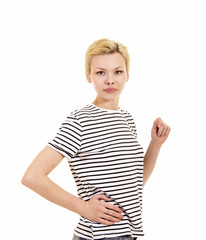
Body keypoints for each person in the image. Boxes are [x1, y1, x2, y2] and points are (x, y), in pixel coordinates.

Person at [22, 38, 171, 240]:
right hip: (99, 236)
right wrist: (83, 207)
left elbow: (134, 183)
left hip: (128, 234)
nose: (110, 80)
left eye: (117, 71)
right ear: (88, 76)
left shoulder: (126, 118)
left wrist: (155, 143)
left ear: (128, 74)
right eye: (101, 72)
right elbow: (32, 176)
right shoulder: (80, 120)